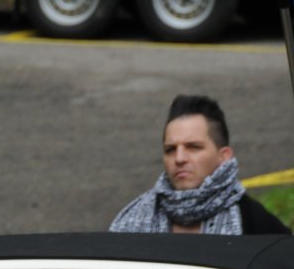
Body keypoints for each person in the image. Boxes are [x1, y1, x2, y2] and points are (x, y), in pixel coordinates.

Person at [110, 94, 290, 235]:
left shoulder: (259, 227)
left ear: (224, 156)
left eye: (193, 147)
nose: (179, 158)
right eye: (170, 149)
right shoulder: (129, 222)